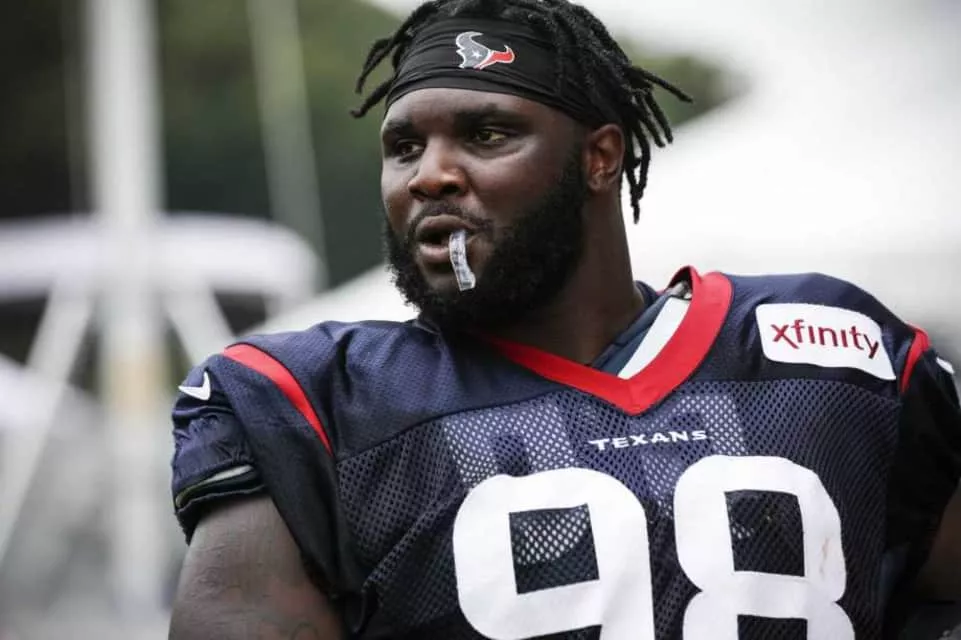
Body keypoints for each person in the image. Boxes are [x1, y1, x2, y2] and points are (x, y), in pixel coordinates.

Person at [168, 0, 961, 638]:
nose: (430, 175)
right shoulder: (318, 401)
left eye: (486, 134)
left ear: (599, 157)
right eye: (405, 147)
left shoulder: (831, 353)